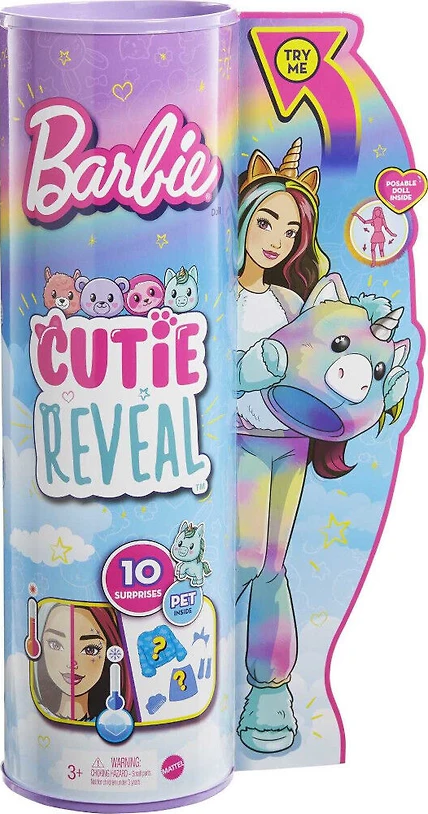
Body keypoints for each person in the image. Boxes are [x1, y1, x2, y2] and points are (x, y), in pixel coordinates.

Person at [234, 138, 329, 753]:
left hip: (288, 442)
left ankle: (269, 692)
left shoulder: (289, 301)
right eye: (266, 221)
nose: (275, 239)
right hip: (238, 439)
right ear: (243, 216)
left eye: (290, 230)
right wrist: (245, 371)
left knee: (272, 562)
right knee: (244, 558)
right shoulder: (217, 292)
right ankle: (189, 647)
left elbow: (311, 367)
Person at [35, 603, 134, 722]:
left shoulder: (113, 721)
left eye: (90, 649)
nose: (71, 663)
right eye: (55, 644)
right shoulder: (36, 715)